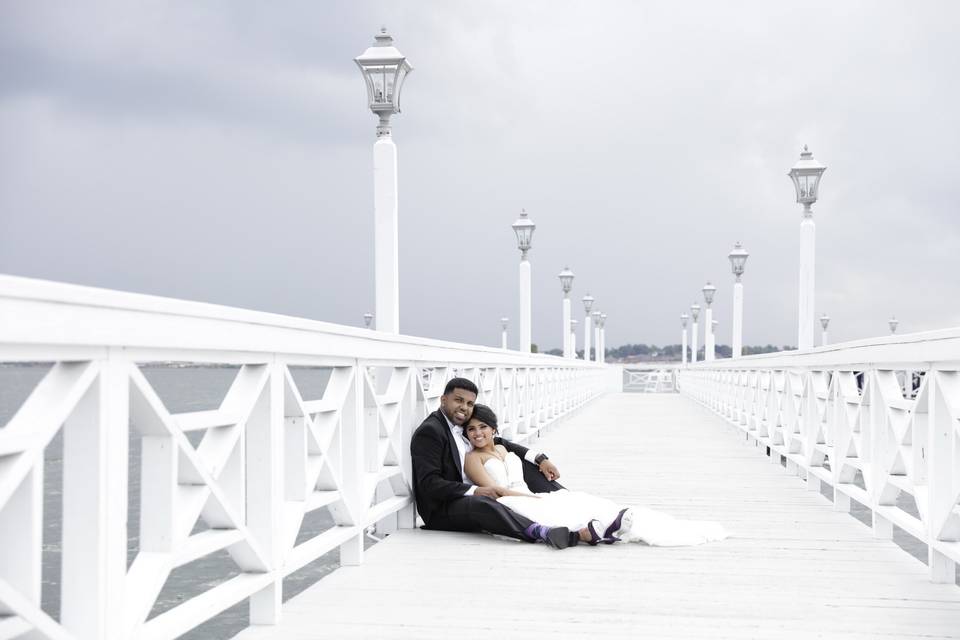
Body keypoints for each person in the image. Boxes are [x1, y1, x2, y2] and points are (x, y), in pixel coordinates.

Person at [464, 403, 730, 546]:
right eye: (471, 430)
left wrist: (542, 463)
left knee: (579, 500)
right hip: (511, 500)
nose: (477, 434)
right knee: (560, 508)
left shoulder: (501, 446)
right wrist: (533, 499)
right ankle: (601, 530)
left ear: (494, 428)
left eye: (483, 427)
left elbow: (520, 451)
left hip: (529, 493)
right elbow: (495, 491)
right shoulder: (473, 458)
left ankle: (609, 526)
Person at [410, 378, 602, 549]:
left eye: (470, 403)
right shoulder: (431, 431)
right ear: (443, 400)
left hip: (473, 490)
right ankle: (542, 532)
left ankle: (564, 499)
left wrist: (540, 459)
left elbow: (501, 442)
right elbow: (429, 485)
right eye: (458, 400)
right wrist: (475, 490)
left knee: (524, 466)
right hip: (444, 508)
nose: (464, 407)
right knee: (483, 503)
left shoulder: (462, 423)